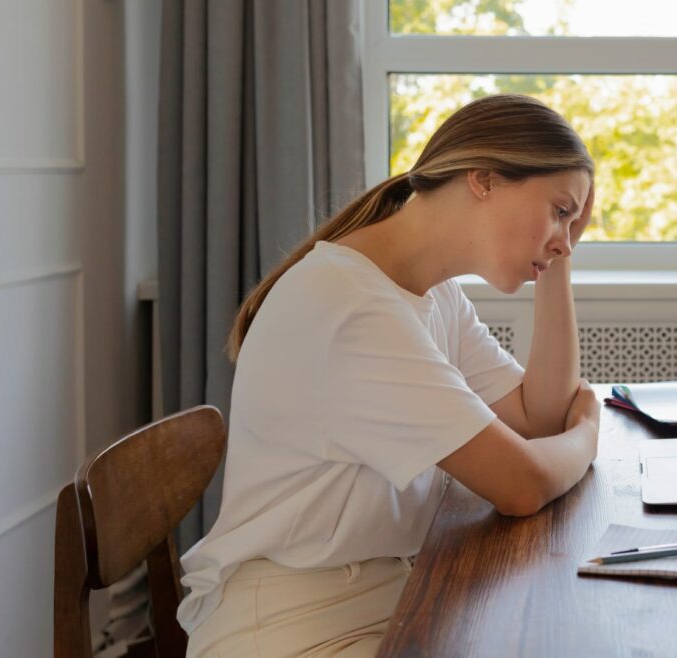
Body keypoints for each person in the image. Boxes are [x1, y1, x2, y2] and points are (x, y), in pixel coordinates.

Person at [177, 94, 600, 657]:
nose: (565, 235)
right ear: (483, 179)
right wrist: (590, 431)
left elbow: (537, 415)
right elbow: (522, 484)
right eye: (559, 210)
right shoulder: (351, 306)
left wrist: (558, 256)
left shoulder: (432, 293)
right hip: (293, 629)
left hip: (389, 597)